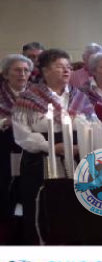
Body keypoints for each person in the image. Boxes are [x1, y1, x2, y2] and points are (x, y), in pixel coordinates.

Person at [12, 49, 94, 245]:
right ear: (45, 71)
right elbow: (22, 135)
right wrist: (52, 147)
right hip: (40, 162)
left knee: (73, 213)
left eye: (68, 67)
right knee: (43, 212)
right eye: (59, 67)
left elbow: (93, 124)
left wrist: (80, 146)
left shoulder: (79, 97)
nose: (66, 71)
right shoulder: (28, 98)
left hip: (76, 160)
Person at [0, 55, 31, 236]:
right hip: (5, 145)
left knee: (25, 186)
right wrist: (5, 121)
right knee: (7, 188)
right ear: (6, 74)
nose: (22, 74)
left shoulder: (36, 94)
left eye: (26, 70)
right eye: (17, 70)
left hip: (29, 148)